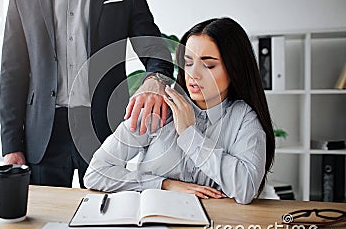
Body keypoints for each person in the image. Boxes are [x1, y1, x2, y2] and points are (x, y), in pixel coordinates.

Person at [0, 0, 173, 188]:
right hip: (44, 131)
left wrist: (156, 79)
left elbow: (153, 48)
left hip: (101, 125)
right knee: (45, 213)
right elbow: (12, 72)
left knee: (106, 213)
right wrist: (11, 146)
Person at [84, 17, 275, 204]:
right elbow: (96, 173)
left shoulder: (244, 118)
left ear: (235, 68)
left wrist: (189, 134)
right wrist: (164, 184)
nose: (193, 75)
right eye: (189, 62)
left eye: (208, 65)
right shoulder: (159, 108)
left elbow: (246, 190)